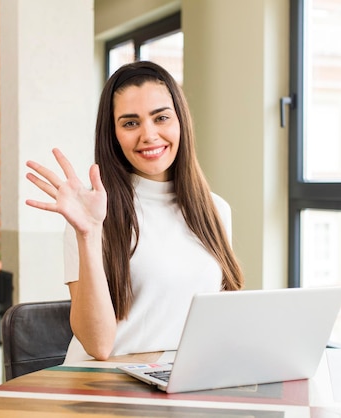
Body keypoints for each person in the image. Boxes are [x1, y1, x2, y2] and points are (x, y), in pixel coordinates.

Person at [25, 61, 244, 362]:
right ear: (113, 134)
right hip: (106, 384)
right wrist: (88, 233)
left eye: (161, 118)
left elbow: (218, 321)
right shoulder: (91, 214)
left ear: (181, 121)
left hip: (177, 381)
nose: (149, 135)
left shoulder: (215, 209)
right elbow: (98, 345)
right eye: (130, 123)